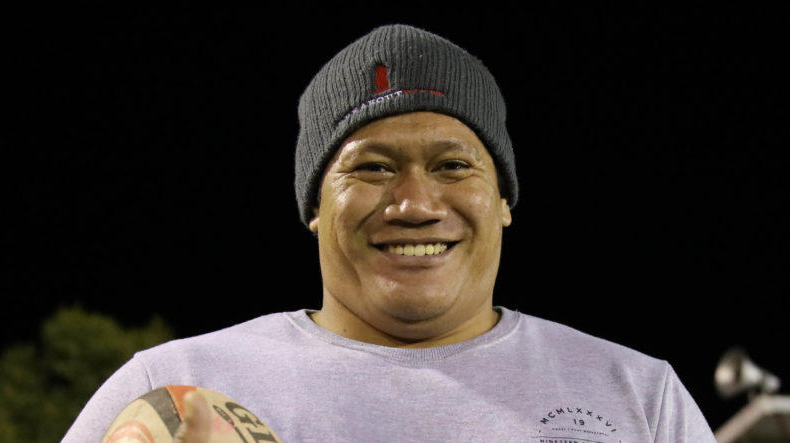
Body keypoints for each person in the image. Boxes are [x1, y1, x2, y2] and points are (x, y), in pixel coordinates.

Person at [61, 24, 715, 443]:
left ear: (505, 199)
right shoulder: (175, 386)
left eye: (453, 165)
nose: (414, 204)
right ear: (315, 204)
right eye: (371, 167)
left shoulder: (637, 394)